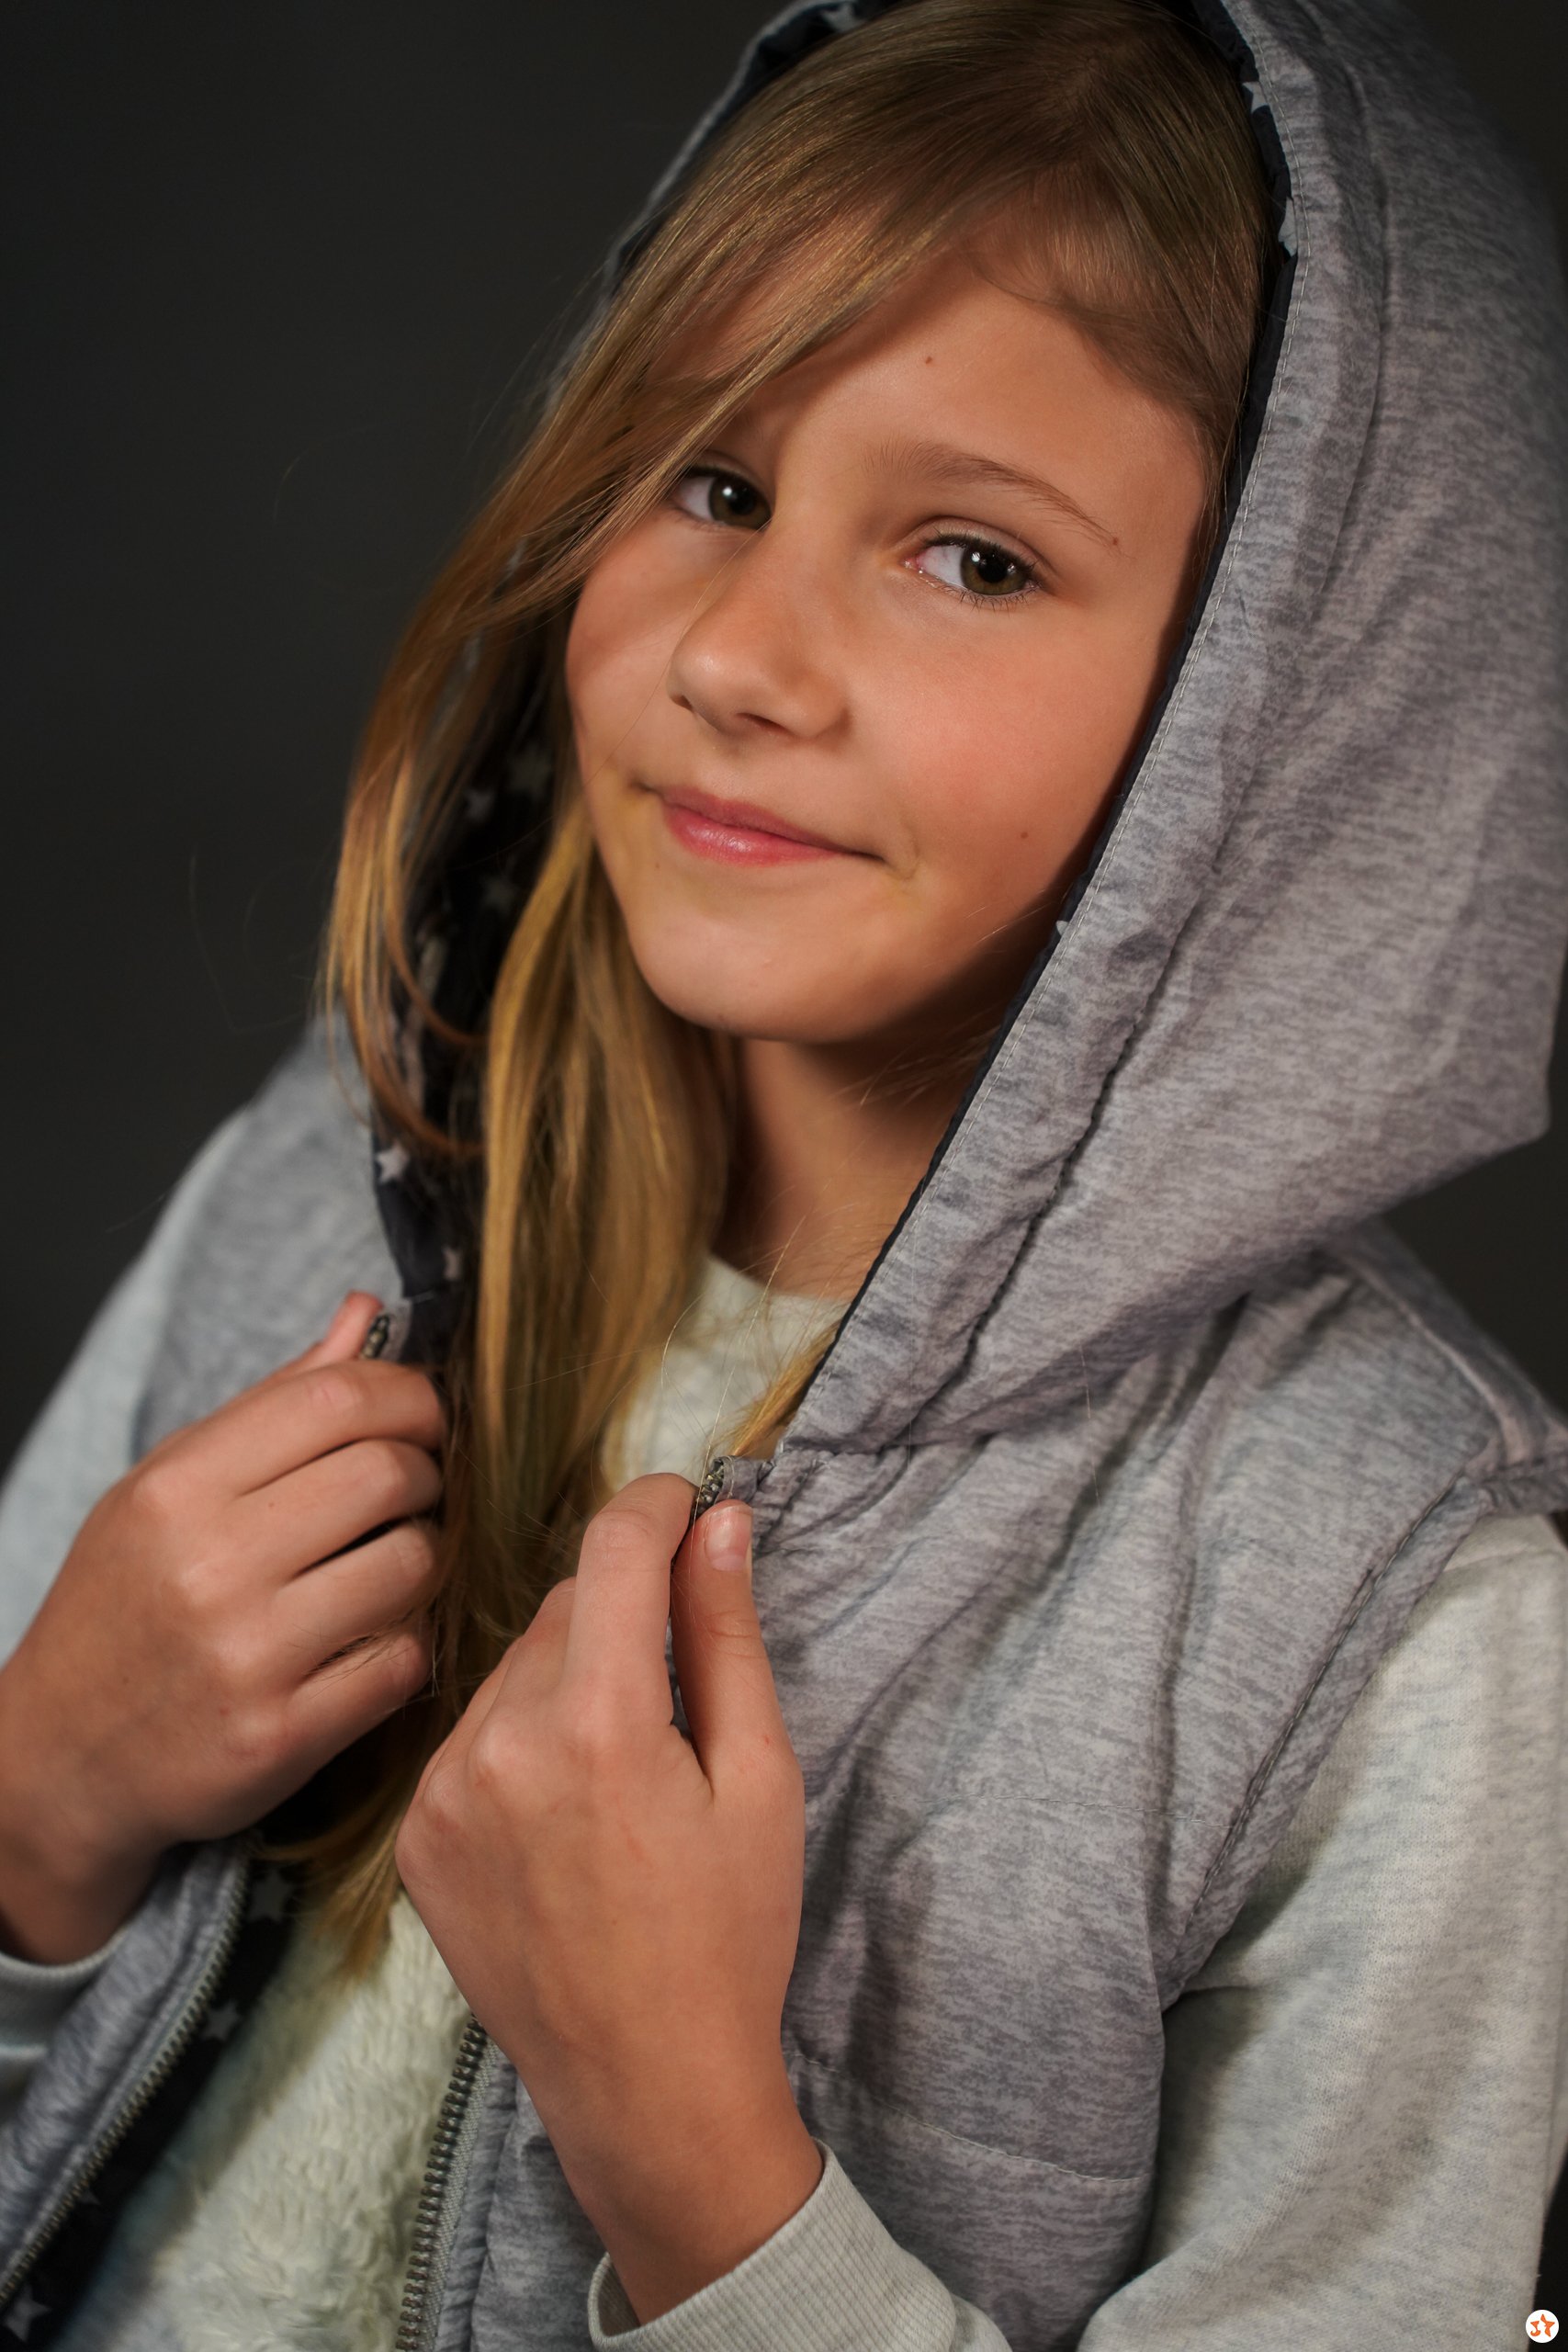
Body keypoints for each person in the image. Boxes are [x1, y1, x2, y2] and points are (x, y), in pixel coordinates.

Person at [1, 0, 1565, 2343]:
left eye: (970, 556)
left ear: (1296, 710)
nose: (742, 656)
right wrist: (32, 1813)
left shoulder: (1388, 1601)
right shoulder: (321, 1181)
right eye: (711, 485)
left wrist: (694, 2165)